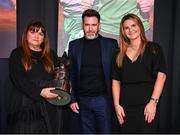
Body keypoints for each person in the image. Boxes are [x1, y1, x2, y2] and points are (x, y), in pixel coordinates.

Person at [111, 13, 167, 133]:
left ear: (140, 26)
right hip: (125, 108)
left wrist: (153, 102)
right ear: (123, 32)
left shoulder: (153, 48)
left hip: (147, 106)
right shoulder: (118, 54)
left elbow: (161, 77)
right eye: (126, 28)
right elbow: (115, 81)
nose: (131, 30)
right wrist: (117, 106)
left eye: (133, 25)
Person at [68, 9, 118, 133]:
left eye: (94, 25)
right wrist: (72, 98)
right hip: (82, 100)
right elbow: (71, 74)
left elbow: (117, 74)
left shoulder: (111, 45)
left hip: (104, 100)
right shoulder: (74, 45)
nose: (90, 28)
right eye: (87, 25)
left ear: (99, 25)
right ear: (82, 25)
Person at [7, 21, 62, 133]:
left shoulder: (51, 54)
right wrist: (40, 92)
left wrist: (61, 92)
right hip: (25, 104)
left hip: (49, 104)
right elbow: (19, 80)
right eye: (33, 32)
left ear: (44, 39)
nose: (37, 36)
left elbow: (58, 77)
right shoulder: (17, 54)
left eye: (41, 34)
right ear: (26, 34)